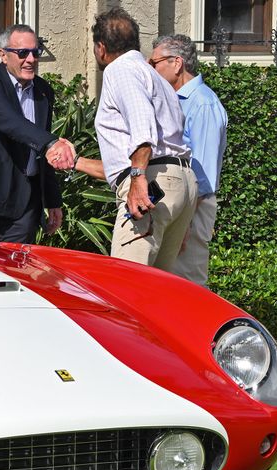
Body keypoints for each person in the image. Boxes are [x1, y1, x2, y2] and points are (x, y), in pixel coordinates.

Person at [63, 8, 197, 272]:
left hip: (152, 182)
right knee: (158, 287)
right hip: (180, 180)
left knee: (125, 282)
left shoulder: (120, 70)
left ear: (101, 48)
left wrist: (138, 179)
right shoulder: (154, 77)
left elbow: (142, 129)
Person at [0, 24, 75, 244]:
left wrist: (52, 200)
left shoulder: (43, 92)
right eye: (22, 53)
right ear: (3, 55)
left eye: (35, 52)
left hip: (24, 205)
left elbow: (41, 150)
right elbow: (11, 123)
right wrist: (52, 143)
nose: (30, 59)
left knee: (17, 272)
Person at [150, 34, 228, 286]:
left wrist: (184, 226)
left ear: (177, 62)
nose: (151, 69)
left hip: (193, 209)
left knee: (188, 285)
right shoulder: (174, 99)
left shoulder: (203, 104)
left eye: (155, 63)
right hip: (175, 204)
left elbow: (202, 174)